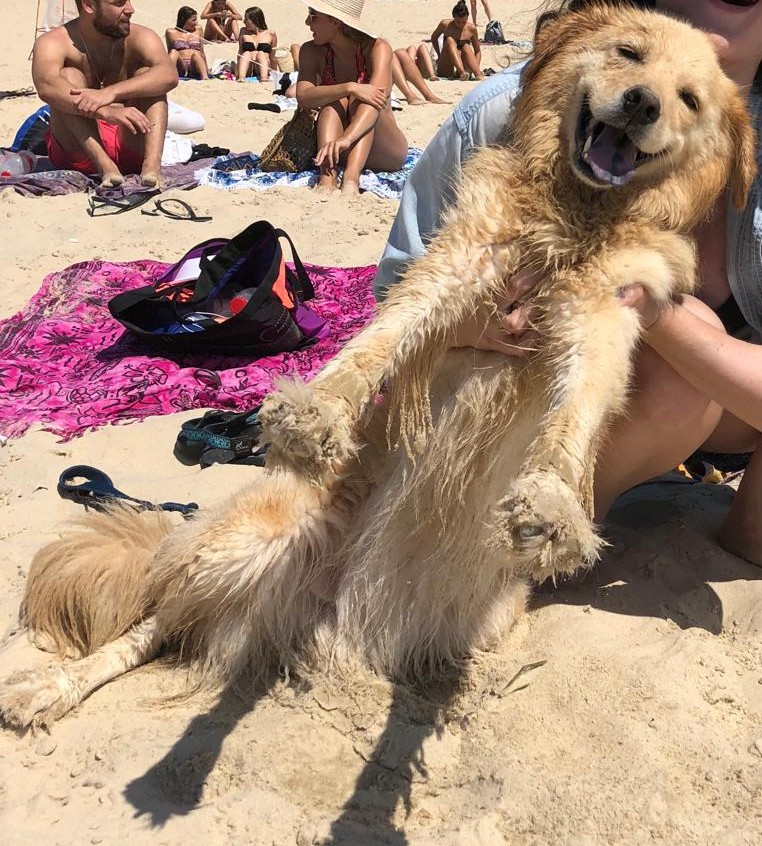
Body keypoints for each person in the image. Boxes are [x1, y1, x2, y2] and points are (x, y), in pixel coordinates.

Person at [375, 0, 762, 568]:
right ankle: (538, 527)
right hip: (522, 397)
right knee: (677, 362)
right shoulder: (516, 104)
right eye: (629, 55)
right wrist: (466, 320)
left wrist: (656, 315)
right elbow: (396, 296)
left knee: (688, 336)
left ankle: (743, 531)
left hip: (732, 408)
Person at [31, 0, 178, 187]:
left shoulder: (141, 36)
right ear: (89, 6)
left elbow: (169, 74)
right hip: (80, 150)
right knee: (69, 75)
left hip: (129, 140)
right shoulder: (54, 42)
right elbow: (47, 86)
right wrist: (104, 111)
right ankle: (106, 167)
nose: (130, 10)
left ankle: (151, 166)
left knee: (149, 77)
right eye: (119, 3)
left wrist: (110, 93)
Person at [296, 0, 408, 195]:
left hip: (383, 149)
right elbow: (303, 97)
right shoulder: (311, 50)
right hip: (337, 149)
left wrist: (346, 139)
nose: (307, 22)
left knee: (363, 100)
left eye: (313, 16)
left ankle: (351, 178)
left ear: (335, 21)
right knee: (334, 103)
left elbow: (376, 101)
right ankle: (327, 178)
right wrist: (350, 87)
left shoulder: (376, 48)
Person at [431, 0, 484, 81]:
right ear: (453, 17)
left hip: (464, 62)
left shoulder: (471, 29)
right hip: (447, 62)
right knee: (449, 40)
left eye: (464, 22)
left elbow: (478, 51)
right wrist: (439, 54)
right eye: (458, 22)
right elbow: (434, 37)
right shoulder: (445, 25)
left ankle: (478, 74)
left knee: (466, 46)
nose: (461, 25)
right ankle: (462, 73)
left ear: (467, 18)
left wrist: (475, 67)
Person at [166, 6, 209, 80]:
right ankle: (166, 75)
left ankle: (205, 77)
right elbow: (169, 51)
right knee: (173, 52)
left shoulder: (198, 29)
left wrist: (206, 68)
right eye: (193, 20)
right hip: (181, 66)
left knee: (196, 54)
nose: (196, 23)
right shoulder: (171, 32)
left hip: (195, 66)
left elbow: (202, 51)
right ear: (184, 19)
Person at [237, 6, 276, 82]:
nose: (244, 22)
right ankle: (241, 77)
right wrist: (238, 67)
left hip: (263, 67)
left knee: (261, 53)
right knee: (246, 53)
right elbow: (240, 52)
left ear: (254, 20)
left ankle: (264, 78)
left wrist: (275, 74)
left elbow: (272, 57)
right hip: (247, 68)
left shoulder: (270, 34)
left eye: (246, 19)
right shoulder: (243, 31)